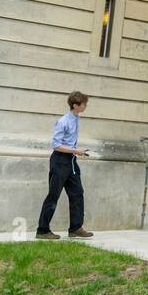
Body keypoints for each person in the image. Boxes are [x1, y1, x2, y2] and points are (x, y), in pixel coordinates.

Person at [36, 91, 94, 240]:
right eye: (84, 104)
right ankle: (42, 230)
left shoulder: (75, 118)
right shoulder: (64, 121)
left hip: (71, 161)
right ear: (75, 105)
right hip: (60, 161)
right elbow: (56, 145)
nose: (86, 106)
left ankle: (75, 228)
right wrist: (76, 151)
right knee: (53, 195)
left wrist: (75, 152)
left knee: (77, 193)